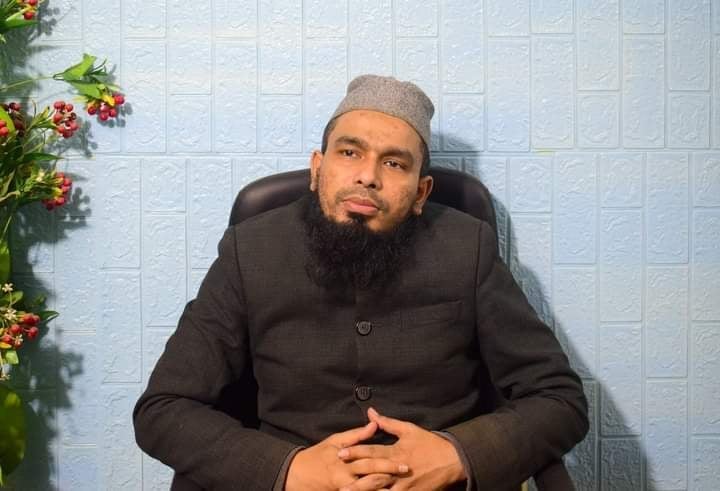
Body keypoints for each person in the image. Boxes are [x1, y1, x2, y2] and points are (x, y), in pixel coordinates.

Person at [133, 75, 588, 491]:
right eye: (350, 153)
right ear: (317, 169)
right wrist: (288, 470)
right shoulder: (250, 249)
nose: (368, 176)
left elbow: (559, 399)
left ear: (421, 193)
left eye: (394, 163)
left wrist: (456, 455)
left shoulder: (468, 248)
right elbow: (164, 408)